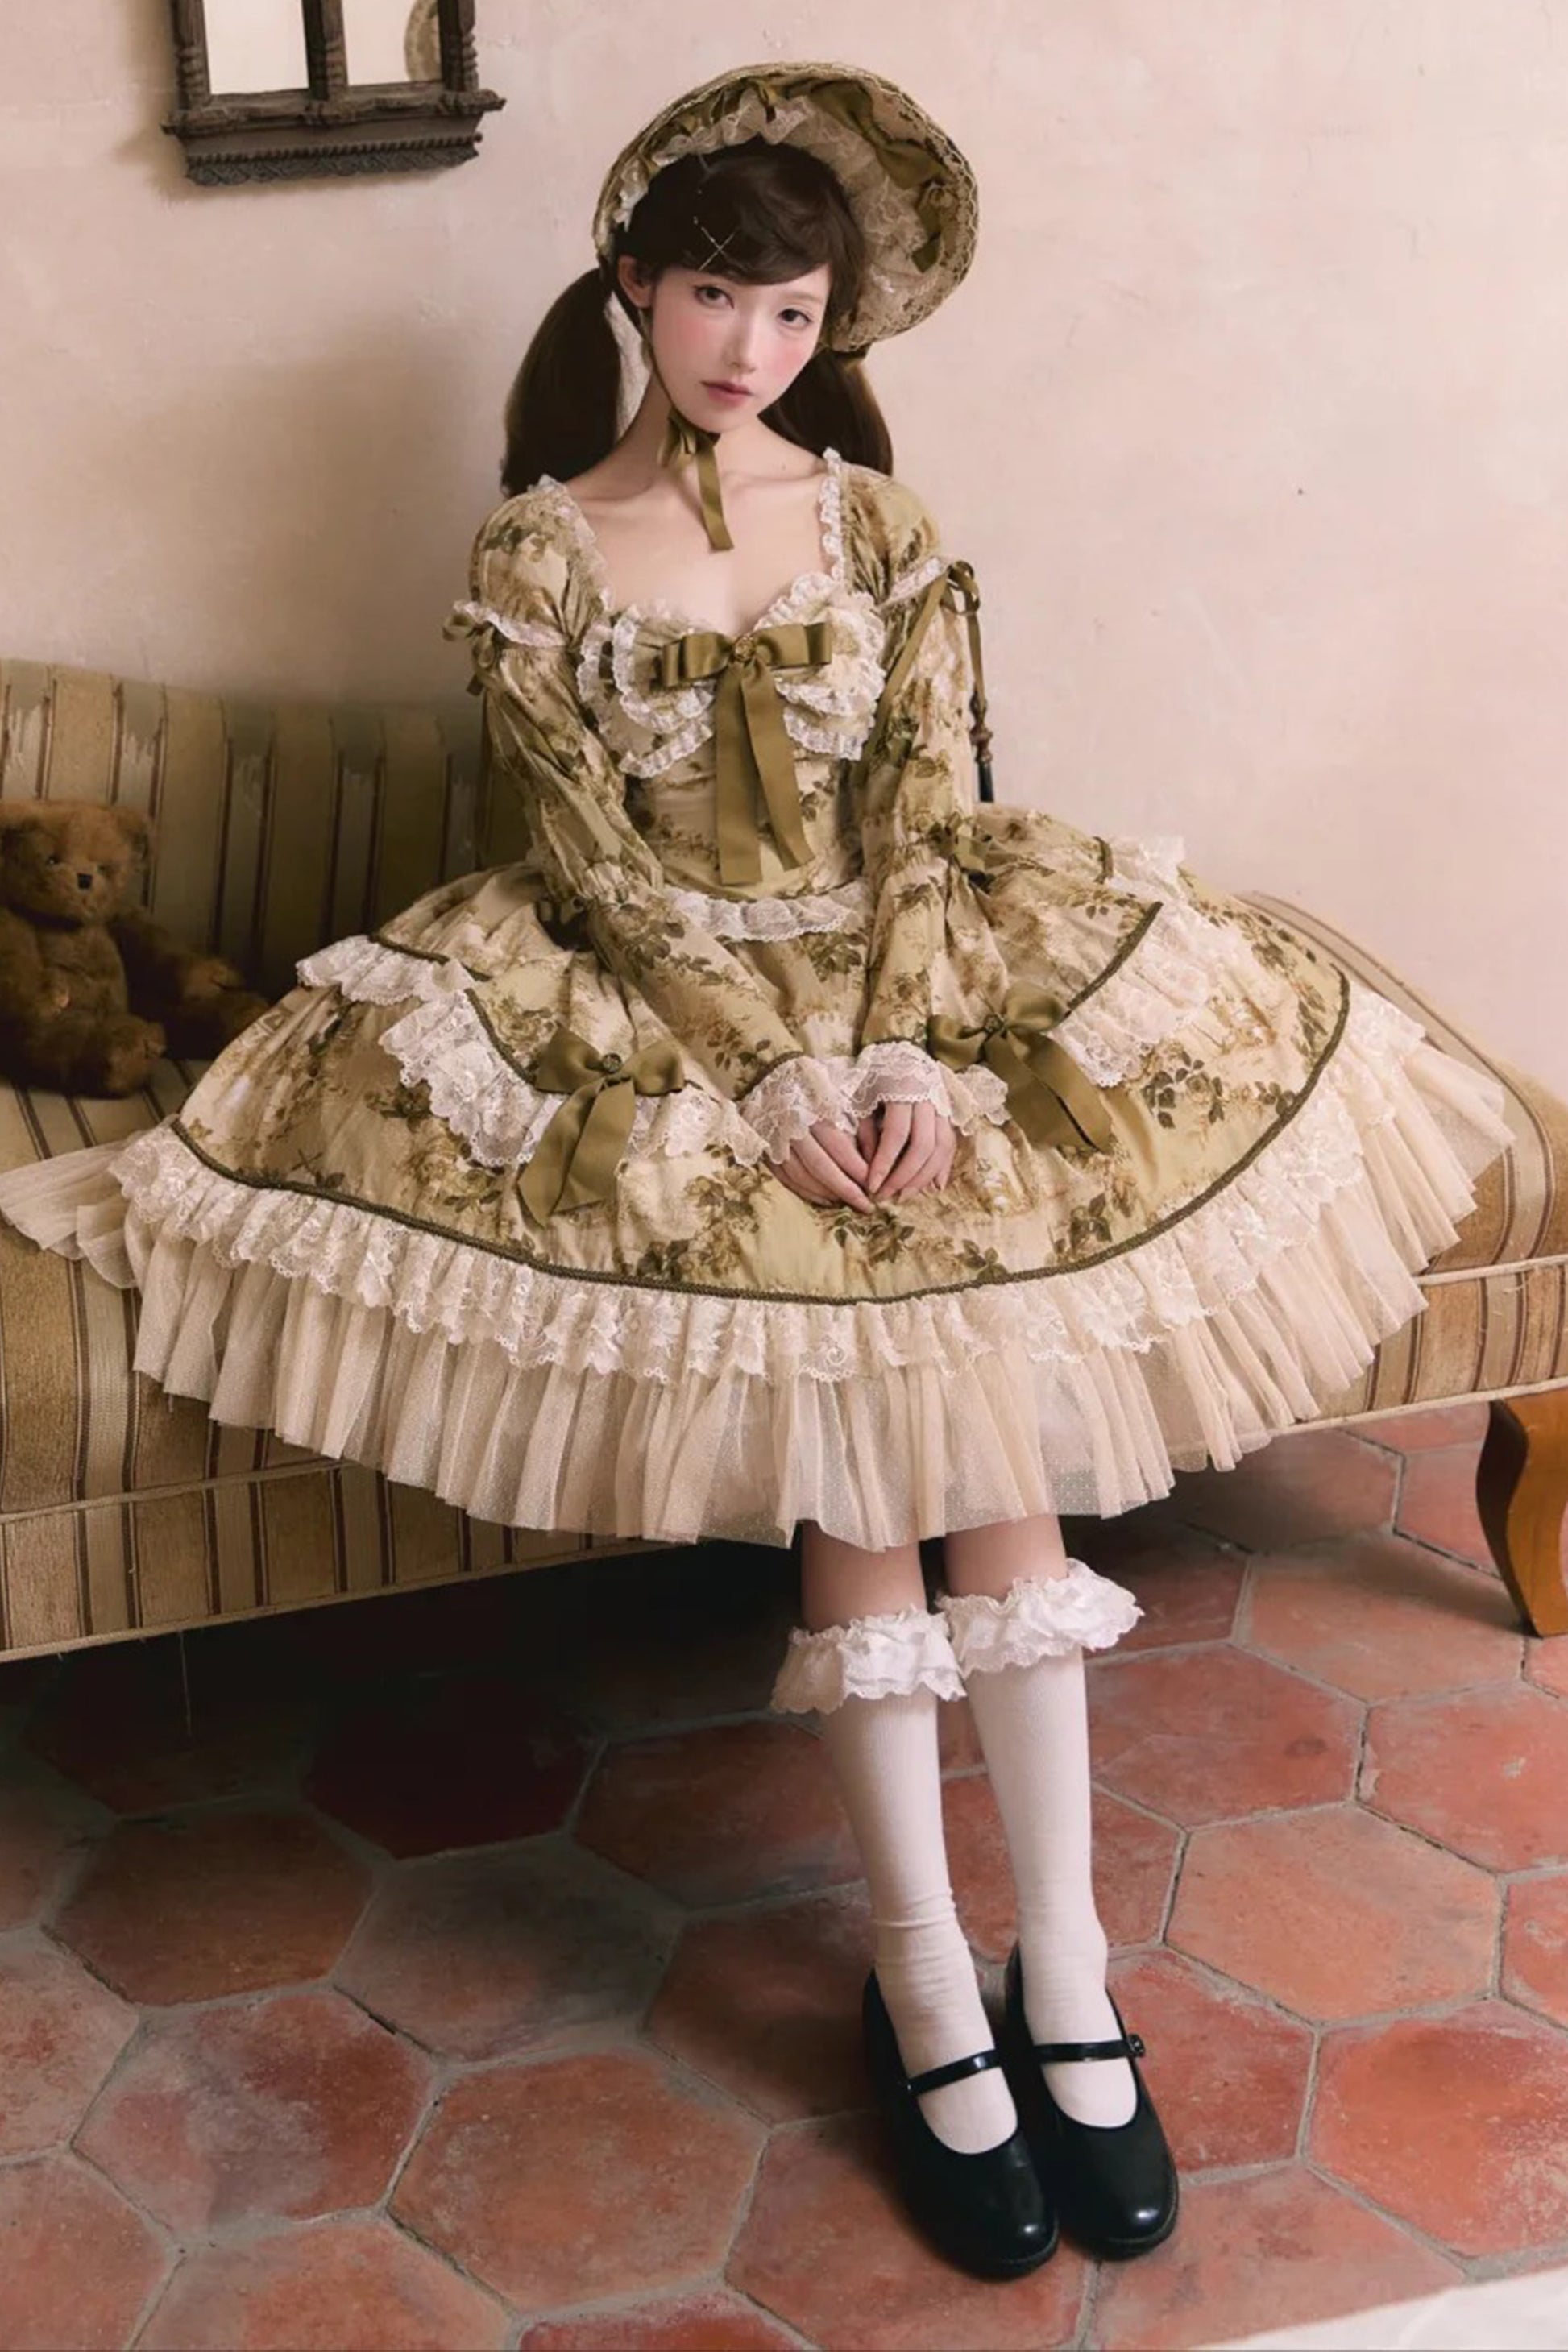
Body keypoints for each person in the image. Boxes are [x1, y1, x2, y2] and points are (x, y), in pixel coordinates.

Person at [0, 60, 1516, 2282]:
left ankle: (1067, 1974)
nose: (751, 347)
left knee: (993, 1444)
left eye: (794, 313)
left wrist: (901, 1050)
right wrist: (774, 1080)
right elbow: (590, 868)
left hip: (915, 991)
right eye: (717, 296)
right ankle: (926, 1982)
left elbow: (921, 821)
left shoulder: (885, 530)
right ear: (634, 285)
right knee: (869, 1469)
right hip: (661, 1012)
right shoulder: (536, 549)